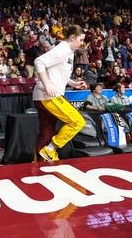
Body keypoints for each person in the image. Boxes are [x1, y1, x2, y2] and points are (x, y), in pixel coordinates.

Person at [33, 25, 87, 162]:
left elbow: (57, 72)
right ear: (72, 37)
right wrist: (47, 84)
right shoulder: (63, 49)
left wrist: (73, 83)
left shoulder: (69, 51)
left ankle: (37, 162)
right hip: (49, 95)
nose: (82, 43)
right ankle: (50, 149)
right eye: (80, 40)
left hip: (44, 95)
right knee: (77, 121)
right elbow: (39, 62)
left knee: (46, 132)